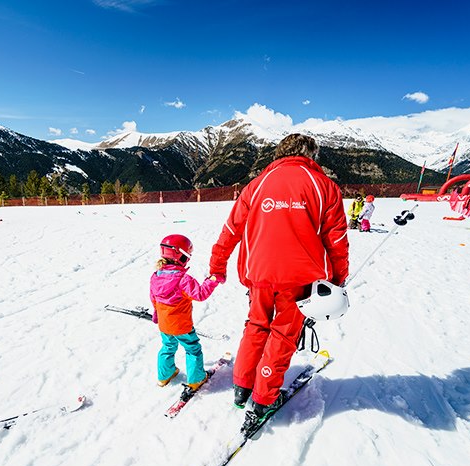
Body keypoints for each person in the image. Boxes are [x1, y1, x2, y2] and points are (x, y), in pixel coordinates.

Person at [208, 133, 349, 428]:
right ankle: (264, 398)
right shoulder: (325, 187)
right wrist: (338, 279)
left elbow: (231, 230)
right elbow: (336, 239)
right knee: (283, 334)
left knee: (257, 325)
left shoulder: (257, 185)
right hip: (299, 279)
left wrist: (217, 265)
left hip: (258, 273)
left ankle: (242, 386)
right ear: (311, 155)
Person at [150, 234, 220, 390]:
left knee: (167, 346)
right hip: (182, 325)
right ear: (181, 256)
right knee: (192, 348)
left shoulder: (156, 276)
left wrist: (156, 314)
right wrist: (212, 281)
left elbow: (153, 298)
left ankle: (164, 375)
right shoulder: (183, 279)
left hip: (164, 324)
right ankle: (196, 379)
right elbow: (200, 294)